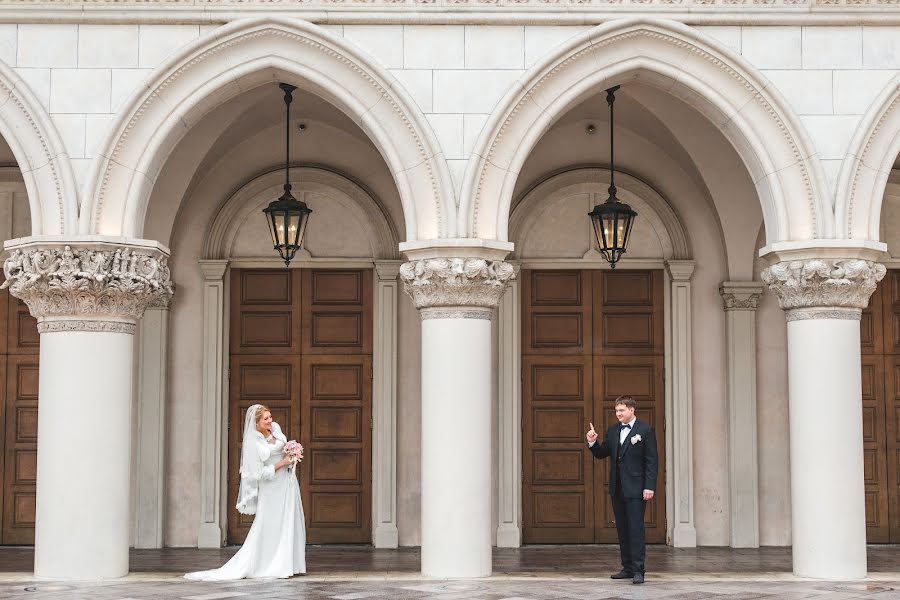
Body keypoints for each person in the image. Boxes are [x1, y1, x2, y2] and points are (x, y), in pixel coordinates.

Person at [186, 404, 306, 580]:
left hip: (287, 484)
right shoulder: (253, 442)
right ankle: (267, 565)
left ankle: (289, 564)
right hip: (271, 488)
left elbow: (283, 448)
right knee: (268, 525)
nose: (270, 421)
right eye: (265, 419)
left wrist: (292, 452)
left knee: (289, 521)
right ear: (256, 423)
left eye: (270, 417)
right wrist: (283, 463)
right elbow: (259, 473)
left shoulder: (276, 429)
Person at [585, 395, 657, 585]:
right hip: (617, 488)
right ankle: (627, 568)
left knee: (636, 529)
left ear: (632, 410)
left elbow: (651, 461)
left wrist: (649, 486)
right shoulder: (613, 430)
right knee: (623, 529)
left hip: (636, 488)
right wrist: (593, 442)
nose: (618, 414)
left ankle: (639, 570)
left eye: (621, 410)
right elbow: (602, 454)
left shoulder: (645, 430)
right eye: (616, 411)